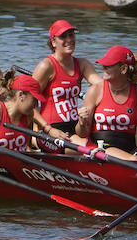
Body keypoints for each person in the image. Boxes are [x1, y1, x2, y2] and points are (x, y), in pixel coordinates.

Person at [32, 19, 101, 149]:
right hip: (51, 130)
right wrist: (47, 129)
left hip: (75, 126)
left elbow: (103, 86)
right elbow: (27, 103)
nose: (69, 40)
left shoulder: (82, 64)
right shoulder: (46, 66)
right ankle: (34, 141)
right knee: (91, 149)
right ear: (53, 42)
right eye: (63, 37)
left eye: (71, 35)